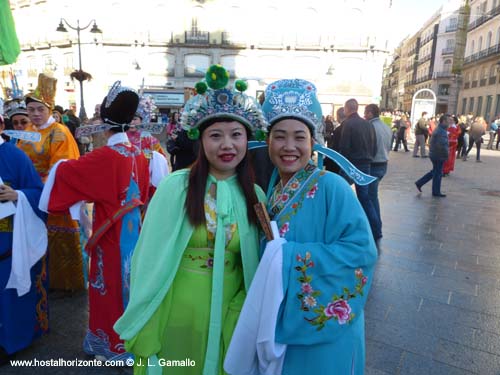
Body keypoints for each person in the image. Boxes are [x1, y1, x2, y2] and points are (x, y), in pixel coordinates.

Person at [114, 65, 268, 374]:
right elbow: (149, 258)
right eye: (216, 136)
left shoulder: (255, 195)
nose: (227, 145)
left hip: (230, 310)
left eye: (236, 135)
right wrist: (148, 318)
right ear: (200, 141)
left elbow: (257, 262)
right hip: (178, 309)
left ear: (247, 139)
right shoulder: (177, 186)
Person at [225, 79, 377, 375]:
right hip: (281, 322)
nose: (289, 147)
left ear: (313, 141)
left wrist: (286, 258)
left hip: (326, 336)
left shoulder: (333, 187)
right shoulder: (271, 189)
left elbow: (361, 253)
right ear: (267, 142)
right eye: (280, 137)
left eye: (299, 137)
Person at [39, 81, 151, 361]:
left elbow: (67, 174)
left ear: (104, 121)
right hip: (134, 233)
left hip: (110, 234)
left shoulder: (105, 156)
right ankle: (131, 341)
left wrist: (59, 166)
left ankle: (111, 344)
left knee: (109, 287)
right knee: (129, 285)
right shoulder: (140, 155)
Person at [17, 73, 83, 293]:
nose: (35, 114)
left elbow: (61, 167)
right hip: (27, 194)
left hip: (51, 195)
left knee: (57, 238)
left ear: (49, 111)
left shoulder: (59, 132)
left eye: (40, 110)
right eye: (31, 110)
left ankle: (64, 285)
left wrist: (36, 188)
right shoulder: (27, 132)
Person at [0, 118, 47, 365]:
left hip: (6, 240)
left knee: (8, 292)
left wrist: (16, 194)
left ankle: (11, 340)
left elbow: (38, 193)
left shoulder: (15, 156)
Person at [339, 98, 378, 240]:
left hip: (351, 164)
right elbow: (374, 145)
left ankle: (342, 228)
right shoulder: (368, 124)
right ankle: (376, 229)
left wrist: (343, 165)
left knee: (340, 193)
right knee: (365, 198)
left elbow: (344, 147)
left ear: (347, 109)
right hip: (366, 163)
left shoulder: (348, 124)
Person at [364, 103, 392, 242]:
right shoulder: (386, 127)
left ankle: (376, 228)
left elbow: (371, 148)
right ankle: (376, 226)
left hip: (373, 164)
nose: (364, 115)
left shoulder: (371, 127)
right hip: (384, 163)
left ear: (370, 113)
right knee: (373, 196)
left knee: (370, 197)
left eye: (365, 112)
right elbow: (390, 146)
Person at [415, 114, 451, 197]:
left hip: (435, 154)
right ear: (444, 121)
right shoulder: (441, 131)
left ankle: (419, 183)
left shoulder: (440, 129)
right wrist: (446, 155)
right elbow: (442, 145)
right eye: (448, 121)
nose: (449, 123)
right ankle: (436, 191)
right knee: (438, 173)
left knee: (435, 171)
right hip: (438, 155)